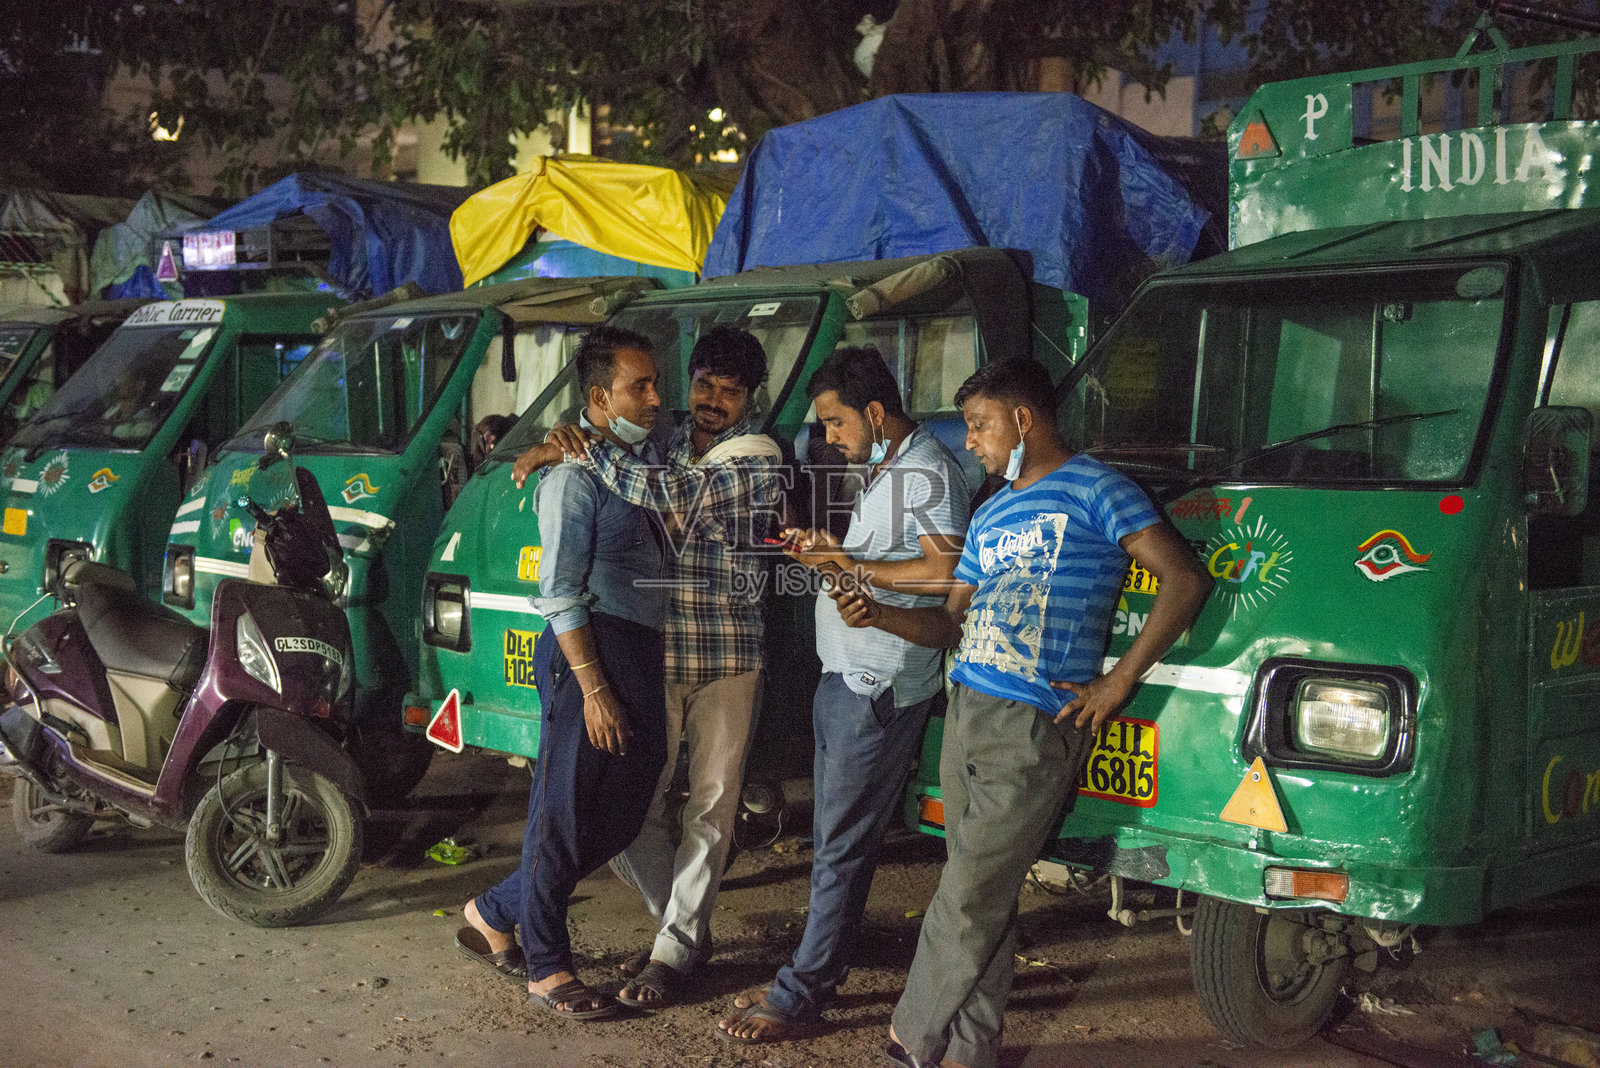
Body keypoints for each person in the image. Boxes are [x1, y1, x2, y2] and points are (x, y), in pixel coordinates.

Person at [833, 357, 1212, 1068]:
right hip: (968, 708)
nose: (970, 441)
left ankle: (907, 1039)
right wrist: (880, 613)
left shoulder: (1100, 488)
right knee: (985, 894)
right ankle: (968, 1054)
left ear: (1023, 420)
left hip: (1035, 721)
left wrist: (1119, 682)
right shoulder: (991, 511)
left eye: (979, 426)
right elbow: (950, 625)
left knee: (969, 892)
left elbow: (1185, 578)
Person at [514, 325, 784, 1008]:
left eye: (731, 389)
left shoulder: (754, 454)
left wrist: (581, 438)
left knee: (712, 809)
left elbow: (672, 496)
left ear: (751, 399)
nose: (710, 400)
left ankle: (676, 949)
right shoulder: (652, 443)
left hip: (726, 655)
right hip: (652, 654)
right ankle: (666, 925)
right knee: (632, 806)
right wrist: (569, 439)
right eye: (703, 384)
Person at [717, 345, 970, 1044]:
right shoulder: (889, 467)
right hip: (847, 679)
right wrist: (826, 551)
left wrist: (850, 561)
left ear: (877, 412)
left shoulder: (927, 472)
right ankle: (812, 971)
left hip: (879, 685)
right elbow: (885, 566)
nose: (829, 438)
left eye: (835, 422)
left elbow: (942, 573)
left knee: (838, 847)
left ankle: (803, 990)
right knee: (836, 842)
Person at [454, 326, 671, 1021]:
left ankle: (494, 910)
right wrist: (595, 688)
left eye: (655, 382)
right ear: (602, 398)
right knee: (563, 811)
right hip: (590, 652)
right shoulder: (571, 479)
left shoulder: (641, 457)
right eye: (641, 386)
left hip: (639, 647)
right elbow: (560, 592)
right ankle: (547, 967)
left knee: (624, 808)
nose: (657, 396)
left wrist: (565, 434)